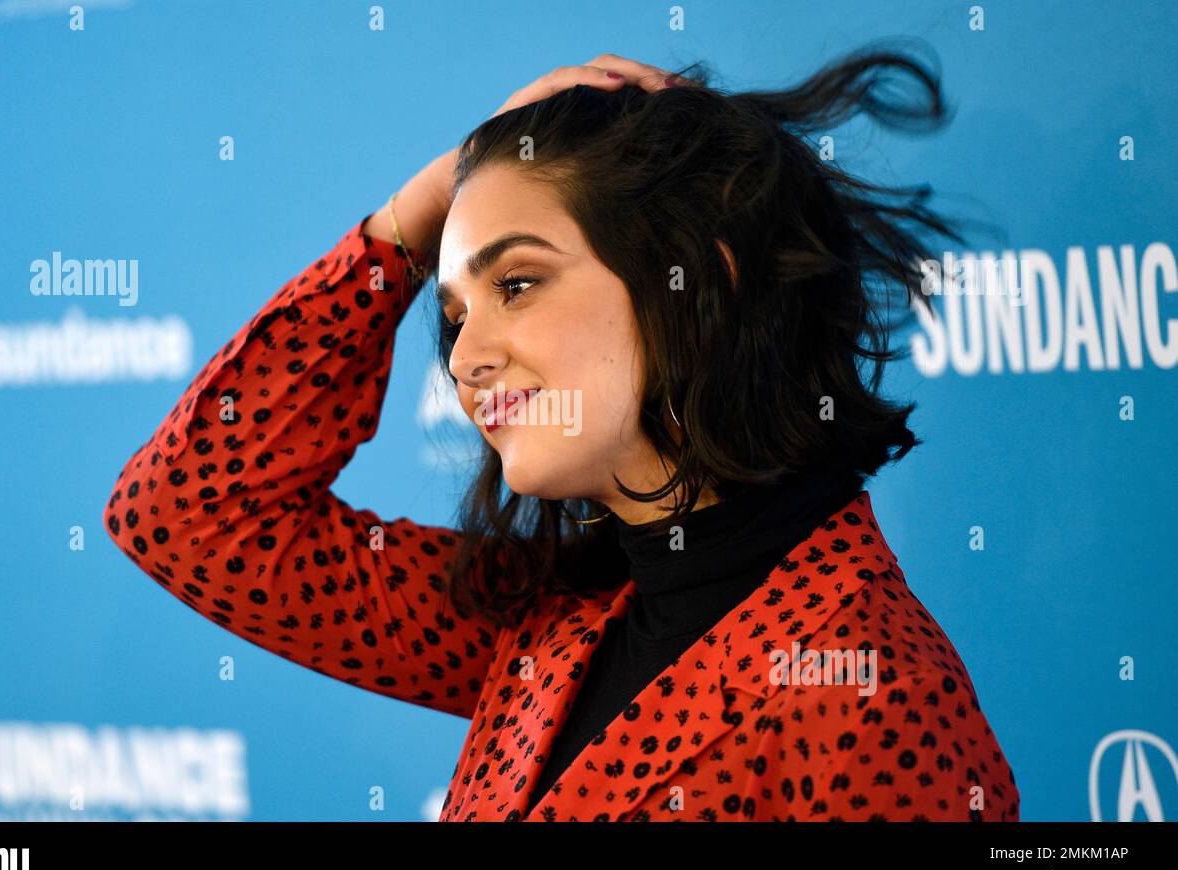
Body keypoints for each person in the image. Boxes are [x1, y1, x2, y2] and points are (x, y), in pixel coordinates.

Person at [104, 49, 1020, 822]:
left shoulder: (869, 694)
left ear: (697, 286)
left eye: (518, 284)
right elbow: (186, 514)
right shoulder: (544, 613)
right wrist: (415, 219)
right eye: (454, 311)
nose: (465, 359)